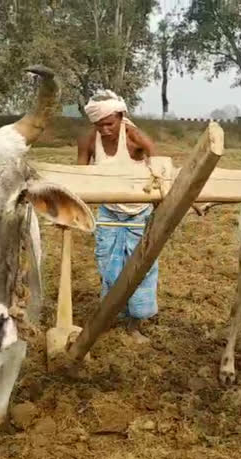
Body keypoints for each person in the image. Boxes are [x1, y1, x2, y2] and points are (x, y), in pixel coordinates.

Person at [77, 90, 158, 343]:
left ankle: (135, 324)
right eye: (99, 125)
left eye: (109, 124)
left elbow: (157, 163)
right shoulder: (89, 140)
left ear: (121, 117)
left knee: (140, 270)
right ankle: (112, 316)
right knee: (109, 268)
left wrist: (157, 192)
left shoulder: (134, 137)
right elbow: (79, 176)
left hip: (138, 214)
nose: (104, 130)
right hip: (109, 212)